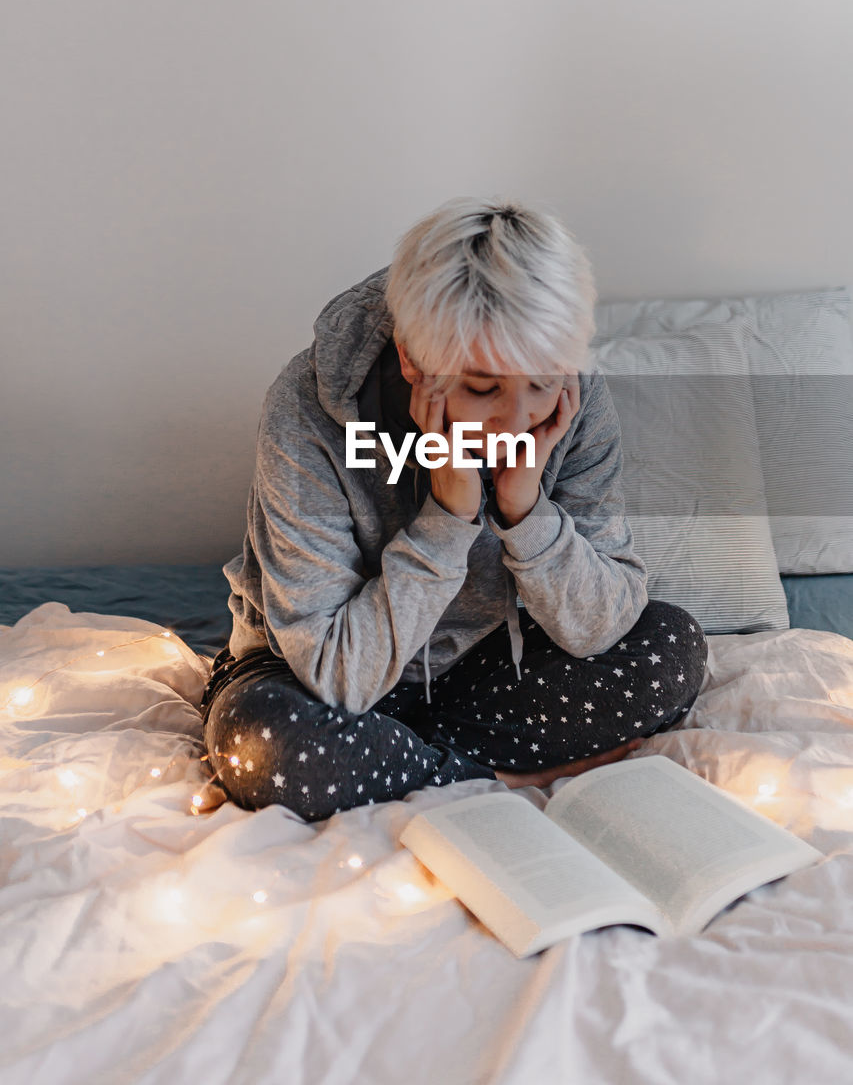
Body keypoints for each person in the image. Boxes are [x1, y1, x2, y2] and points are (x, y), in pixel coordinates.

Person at [199, 196, 708, 821]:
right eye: (482, 387)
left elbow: (600, 626)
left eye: (542, 383)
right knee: (263, 742)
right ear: (413, 360)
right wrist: (447, 516)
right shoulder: (309, 410)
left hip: (481, 675)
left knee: (670, 648)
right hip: (311, 677)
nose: (518, 422)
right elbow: (338, 673)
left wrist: (526, 511)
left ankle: (411, 765)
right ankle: (499, 777)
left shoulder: (577, 400)